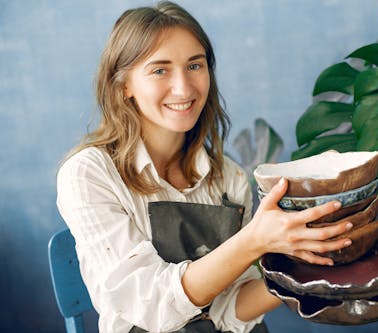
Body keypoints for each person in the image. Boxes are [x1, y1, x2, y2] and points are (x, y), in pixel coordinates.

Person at [56, 2, 353, 332]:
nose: (183, 88)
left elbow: (229, 310)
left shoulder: (229, 177)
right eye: (160, 70)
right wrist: (255, 241)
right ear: (123, 85)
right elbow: (153, 306)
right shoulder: (89, 175)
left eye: (194, 65)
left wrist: (310, 271)